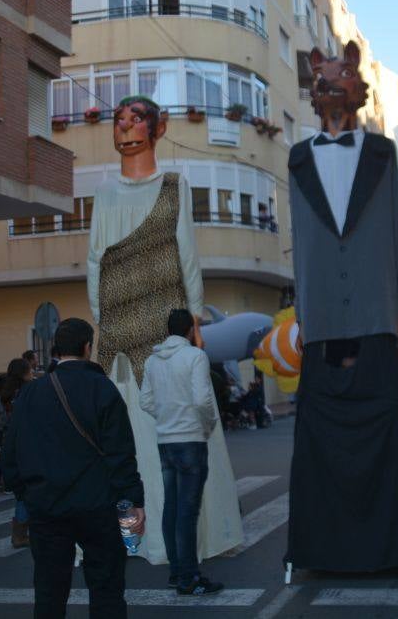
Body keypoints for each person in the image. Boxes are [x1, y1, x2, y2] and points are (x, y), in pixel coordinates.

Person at [285, 40, 398, 574]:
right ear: (312, 91)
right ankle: (326, 547)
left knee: (387, 427)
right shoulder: (297, 157)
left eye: (341, 73)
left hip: (374, 316)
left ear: (357, 88)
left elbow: (394, 232)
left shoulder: (382, 153)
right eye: (321, 77)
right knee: (320, 438)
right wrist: (304, 312)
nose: (330, 83)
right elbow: (302, 239)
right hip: (323, 321)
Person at [86, 94, 241, 564]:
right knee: (122, 446)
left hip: (168, 327)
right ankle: (132, 540)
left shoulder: (175, 185)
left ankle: (186, 540)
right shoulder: (105, 193)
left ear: (158, 127)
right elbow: (96, 257)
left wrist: (194, 318)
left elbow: (186, 255)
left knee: (168, 440)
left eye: (135, 118)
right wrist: (102, 318)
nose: (123, 126)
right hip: (119, 334)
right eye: (118, 118)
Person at [2, 317, 144, 619]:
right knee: (106, 589)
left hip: (47, 507)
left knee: (49, 593)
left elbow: (10, 454)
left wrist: (27, 494)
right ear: (87, 347)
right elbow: (121, 455)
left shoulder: (31, 393)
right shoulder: (103, 390)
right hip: (98, 506)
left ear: (56, 349)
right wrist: (133, 502)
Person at [140, 309, 223, 596]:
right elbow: (202, 399)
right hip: (191, 438)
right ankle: (189, 577)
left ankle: (177, 572)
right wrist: (208, 424)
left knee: (171, 508)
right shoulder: (195, 357)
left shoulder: (152, 360)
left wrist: (165, 416)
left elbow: (145, 401)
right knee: (188, 511)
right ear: (190, 330)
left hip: (165, 440)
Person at [0, 357, 31, 493]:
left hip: (13, 436)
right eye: (30, 371)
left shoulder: (9, 394)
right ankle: (0, 482)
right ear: (24, 373)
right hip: (21, 439)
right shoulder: (25, 393)